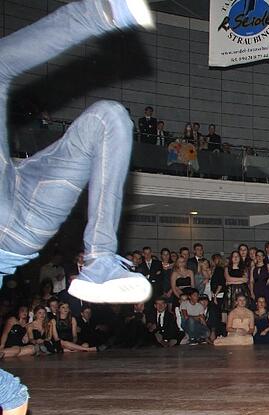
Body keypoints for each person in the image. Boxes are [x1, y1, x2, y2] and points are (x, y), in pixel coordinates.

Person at [0, 1, 156, 309]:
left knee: (108, 118)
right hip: (12, 233)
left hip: (23, 201)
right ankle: (99, 13)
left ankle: (99, 262)